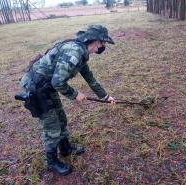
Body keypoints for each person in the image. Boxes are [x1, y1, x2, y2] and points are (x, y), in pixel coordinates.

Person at [19, 25, 116, 176]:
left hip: (47, 87)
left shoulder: (82, 53)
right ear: (97, 42)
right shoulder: (75, 52)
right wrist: (75, 94)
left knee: (61, 118)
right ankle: (52, 163)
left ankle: (65, 149)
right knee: (52, 128)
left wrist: (105, 96)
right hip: (36, 88)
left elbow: (90, 78)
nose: (104, 47)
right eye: (104, 43)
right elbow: (58, 83)